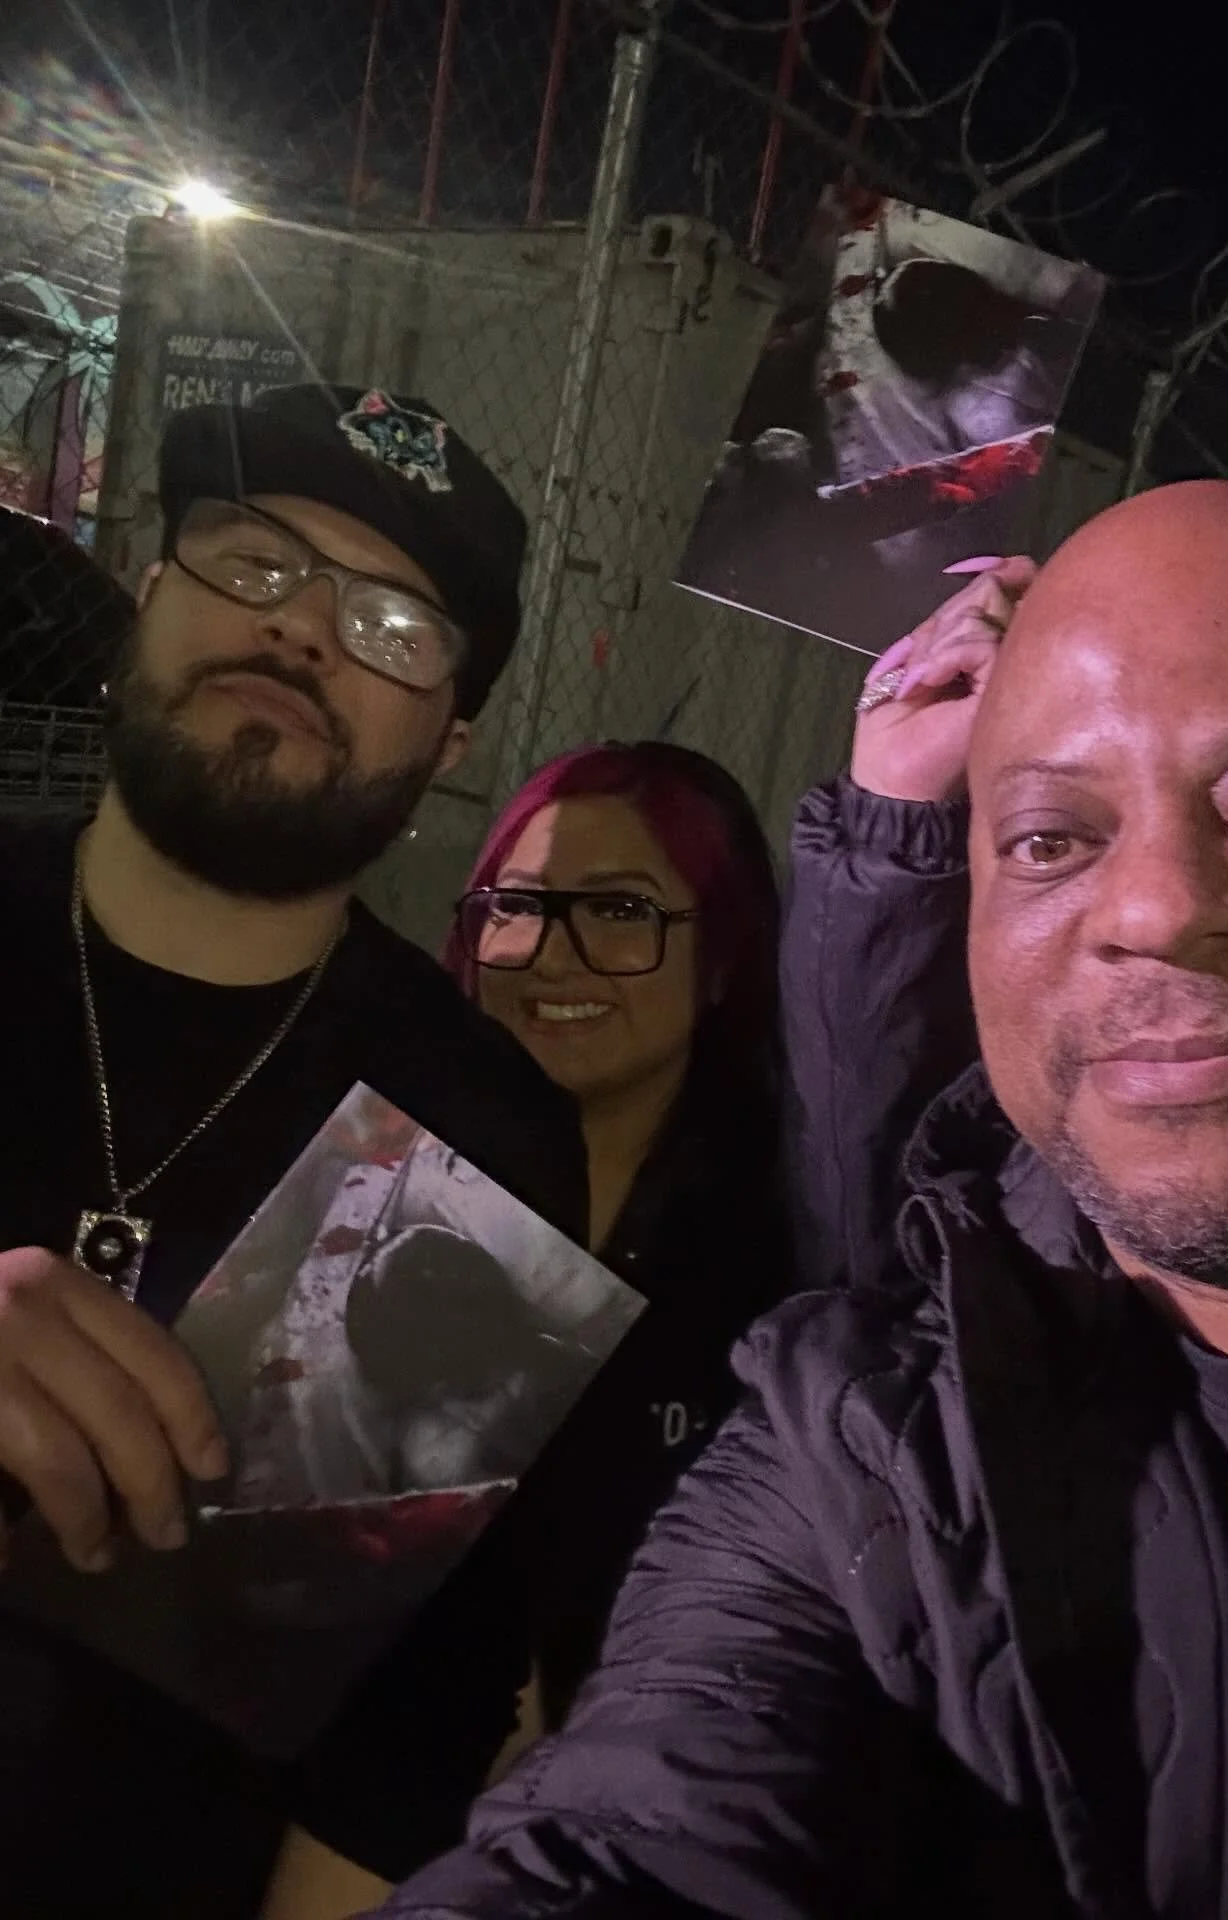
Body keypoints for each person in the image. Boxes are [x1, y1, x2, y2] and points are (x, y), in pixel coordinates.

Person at [368, 481, 1228, 1919]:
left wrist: (889, 833)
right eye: (1051, 838)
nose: (1156, 908)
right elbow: (636, 1825)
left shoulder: (750, 1239)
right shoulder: (857, 1438)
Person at [0, 382, 588, 1920]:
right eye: (255, 559)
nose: (305, 629)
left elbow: (403, 1721)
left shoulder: (475, 1132)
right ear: (148, 594)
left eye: (392, 625)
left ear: (452, 741)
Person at [439, 741, 789, 1725]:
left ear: (723, 960)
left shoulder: (777, 1247)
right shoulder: (384, 1180)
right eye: (518, 904)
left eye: (622, 910)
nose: (552, 953)